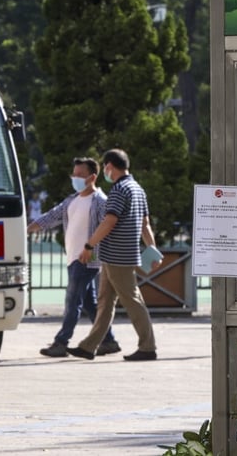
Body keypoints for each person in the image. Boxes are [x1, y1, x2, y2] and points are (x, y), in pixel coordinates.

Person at [67, 148, 158, 362]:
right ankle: (88, 347)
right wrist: (152, 249)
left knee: (132, 300)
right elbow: (145, 225)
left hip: (117, 256)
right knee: (105, 302)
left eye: (105, 168)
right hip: (118, 255)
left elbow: (109, 221)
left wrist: (89, 246)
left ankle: (148, 346)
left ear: (109, 167)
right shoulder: (137, 188)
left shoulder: (119, 190)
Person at [27, 157, 121, 357]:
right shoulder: (71, 200)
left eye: (80, 175)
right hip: (73, 258)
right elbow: (51, 216)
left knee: (72, 301)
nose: (75, 178)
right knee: (90, 303)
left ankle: (61, 342)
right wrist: (29, 228)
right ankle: (109, 340)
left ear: (92, 177)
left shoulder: (100, 201)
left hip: (87, 258)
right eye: (74, 174)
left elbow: (109, 227)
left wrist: (92, 248)